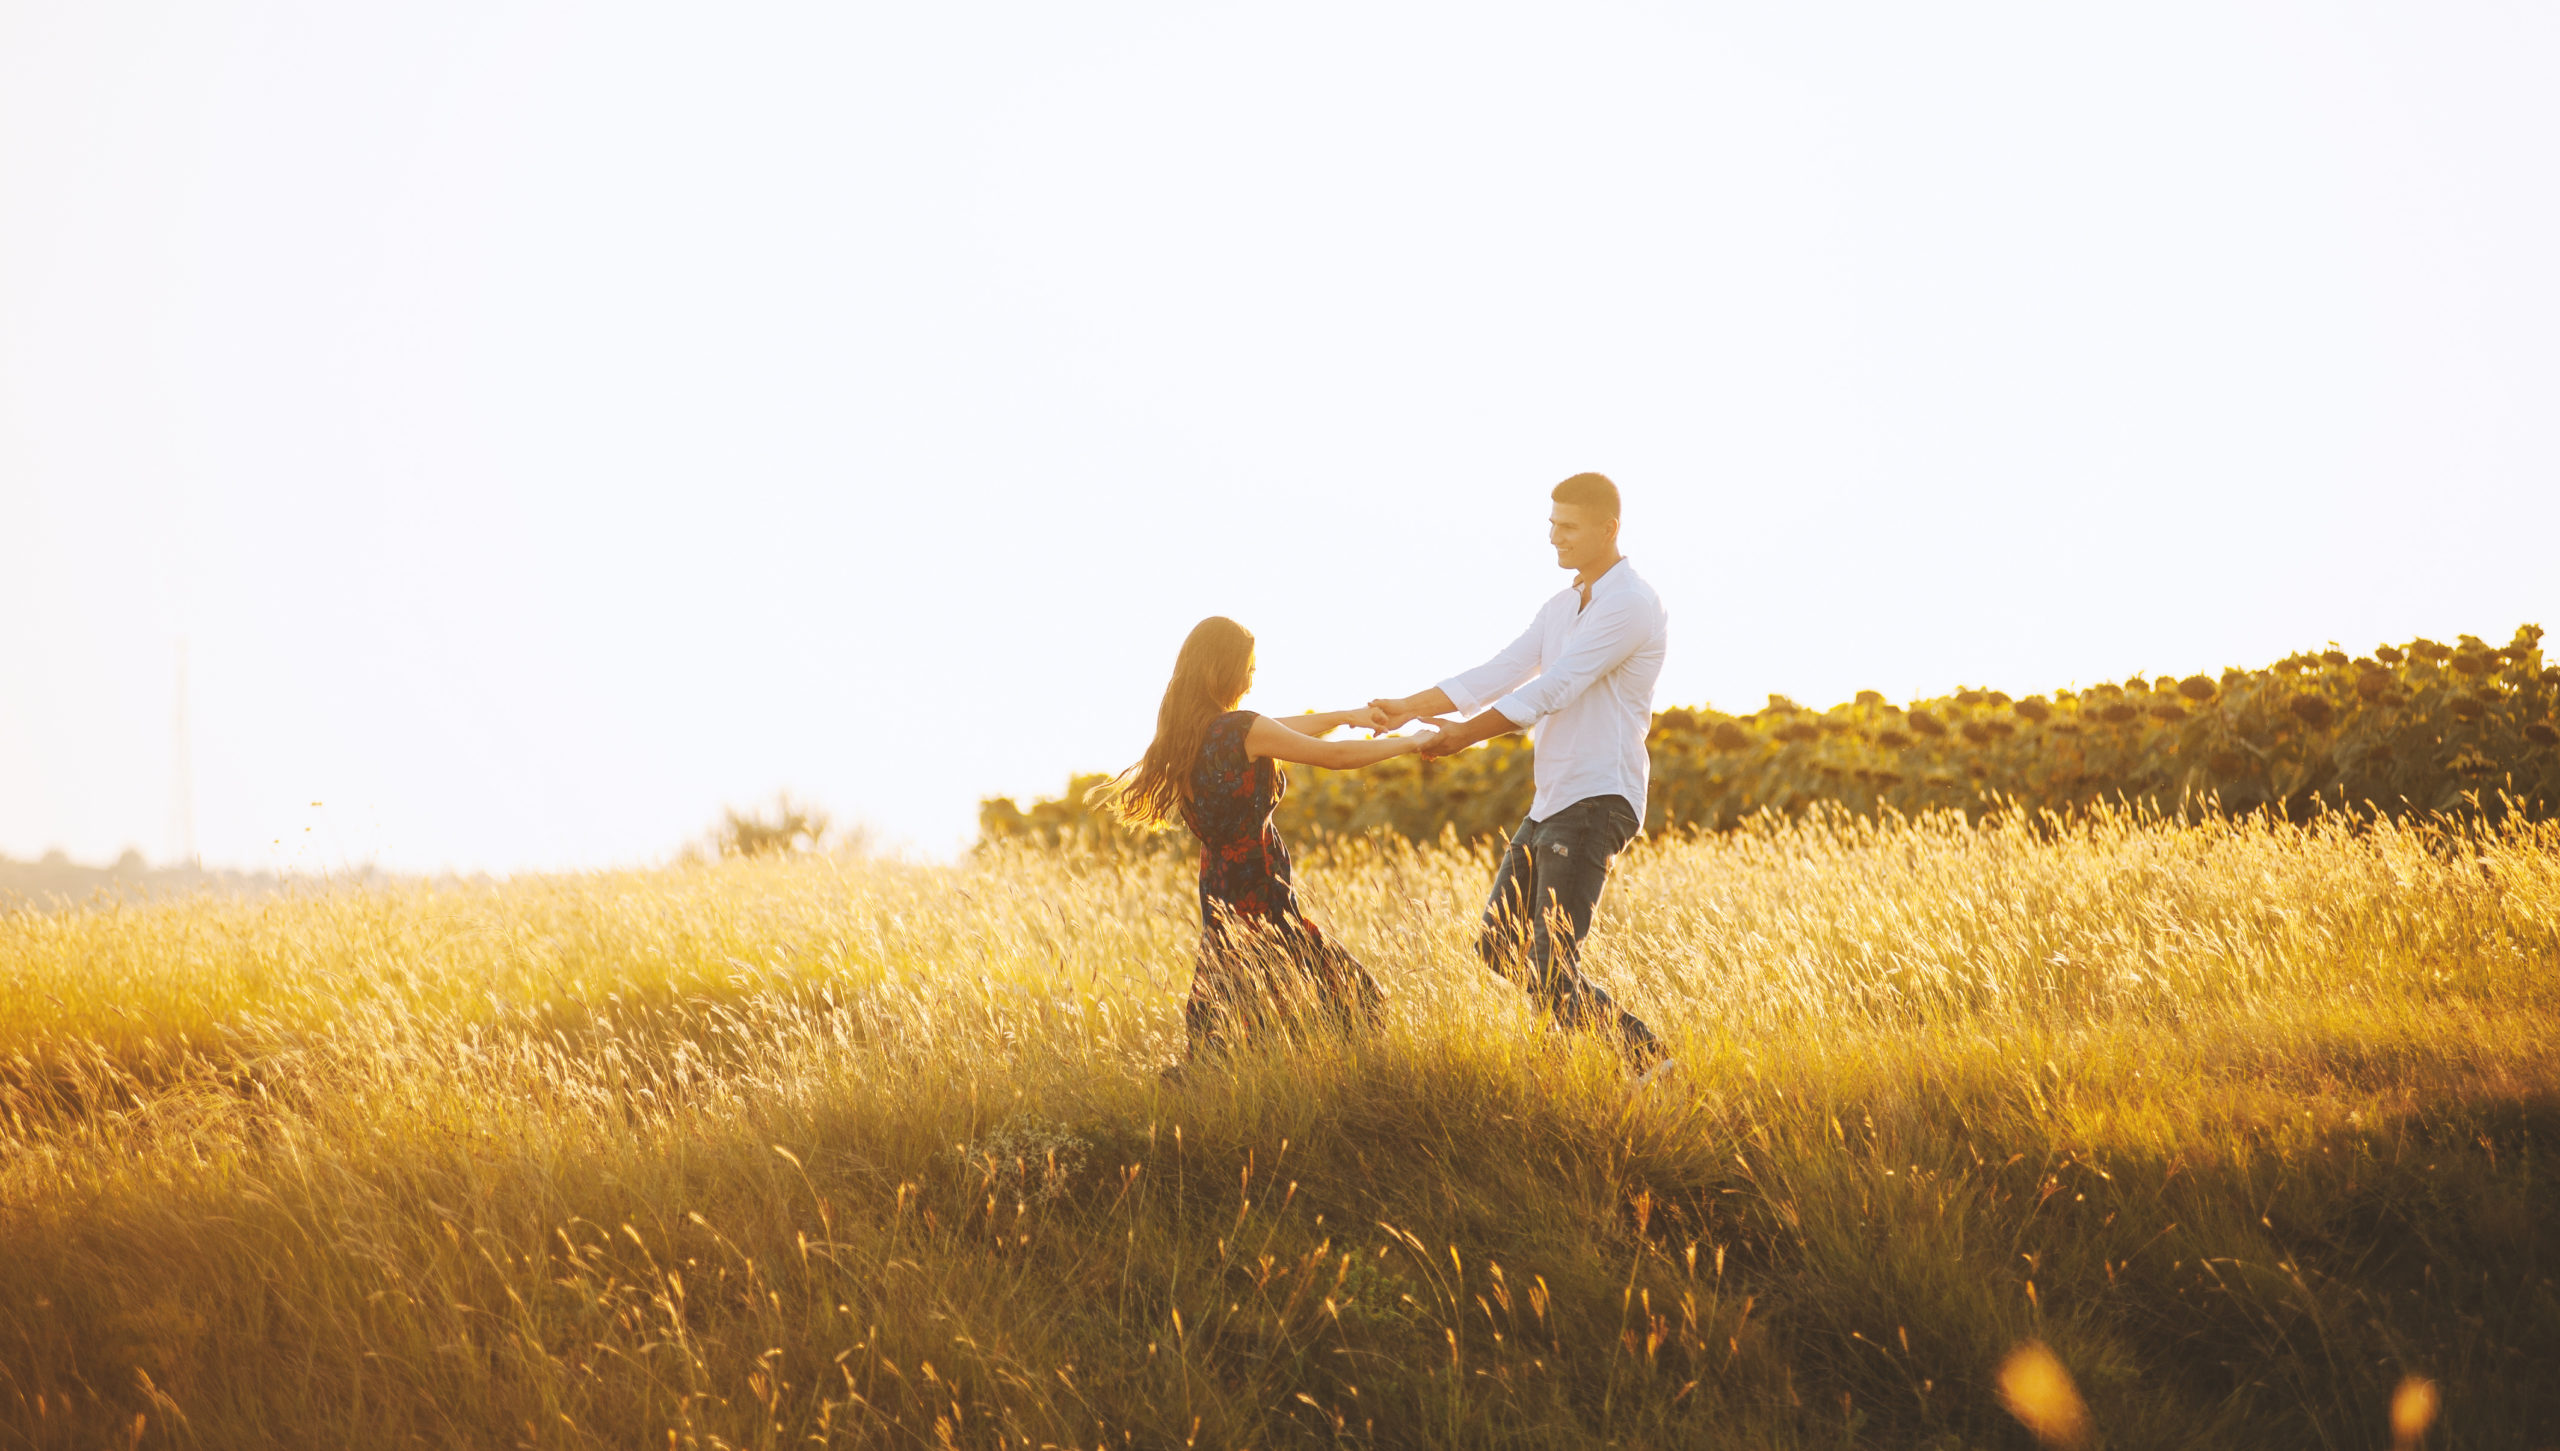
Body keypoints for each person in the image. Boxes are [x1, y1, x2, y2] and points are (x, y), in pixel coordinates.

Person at [1366, 472, 1672, 1077]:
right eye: (1552, 523)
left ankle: (1651, 1065)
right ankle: (1569, 1056)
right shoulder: (1560, 607)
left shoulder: (1632, 604)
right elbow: (1500, 671)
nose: (1554, 536)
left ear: (1608, 529)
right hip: (1551, 801)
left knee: (1553, 964)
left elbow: (1555, 687)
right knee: (1498, 946)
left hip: (1597, 797)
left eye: (1568, 526)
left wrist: (1462, 736)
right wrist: (1408, 707)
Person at [1094, 615, 1441, 1065]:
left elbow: (1276, 729)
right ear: (1223, 668)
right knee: (1358, 1003)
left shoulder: (1186, 736)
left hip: (1221, 896)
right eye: (1249, 669)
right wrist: (1411, 743)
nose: (1250, 681)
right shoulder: (1240, 729)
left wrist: (1344, 716)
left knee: (1239, 1029)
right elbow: (1333, 757)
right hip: (1262, 896)